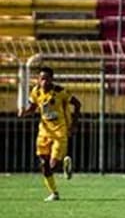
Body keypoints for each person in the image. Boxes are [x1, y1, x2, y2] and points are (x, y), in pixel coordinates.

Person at [18, 66, 81, 201]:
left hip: (60, 132)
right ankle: (54, 193)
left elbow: (77, 104)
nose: (44, 81)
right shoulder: (36, 91)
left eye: (47, 78)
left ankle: (64, 166)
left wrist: (74, 124)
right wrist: (25, 113)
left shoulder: (60, 92)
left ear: (52, 79)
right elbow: (33, 107)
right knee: (43, 164)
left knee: (52, 165)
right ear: (38, 80)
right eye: (42, 79)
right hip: (44, 132)